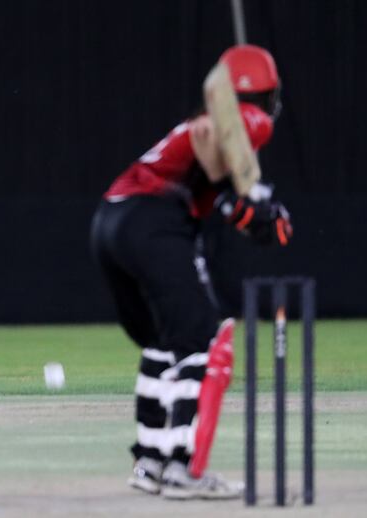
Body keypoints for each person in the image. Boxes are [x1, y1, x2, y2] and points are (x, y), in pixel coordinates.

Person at [90, 44, 293, 499]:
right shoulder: (242, 122)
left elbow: (221, 194)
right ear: (262, 94)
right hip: (153, 221)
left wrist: (253, 205)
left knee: (165, 342)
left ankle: (150, 462)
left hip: (110, 221)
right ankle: (185, 470)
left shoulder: (199, 135)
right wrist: (254, 195)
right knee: (204, 337)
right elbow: (222, 133)